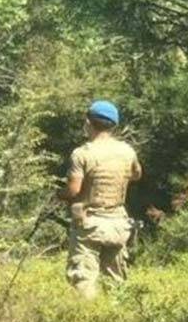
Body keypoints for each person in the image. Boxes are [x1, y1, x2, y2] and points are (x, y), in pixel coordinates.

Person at [60, 100, 143, 299]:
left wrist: (58, 195)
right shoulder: (127, 151)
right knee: (115, 281)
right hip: (118, 224)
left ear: (88, 122)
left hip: (90, 224)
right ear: (114, 125)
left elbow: (73, 191)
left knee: (84, 278)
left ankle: (87, 320)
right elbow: (137, 175)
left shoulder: (81, 154)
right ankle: (116, 318)